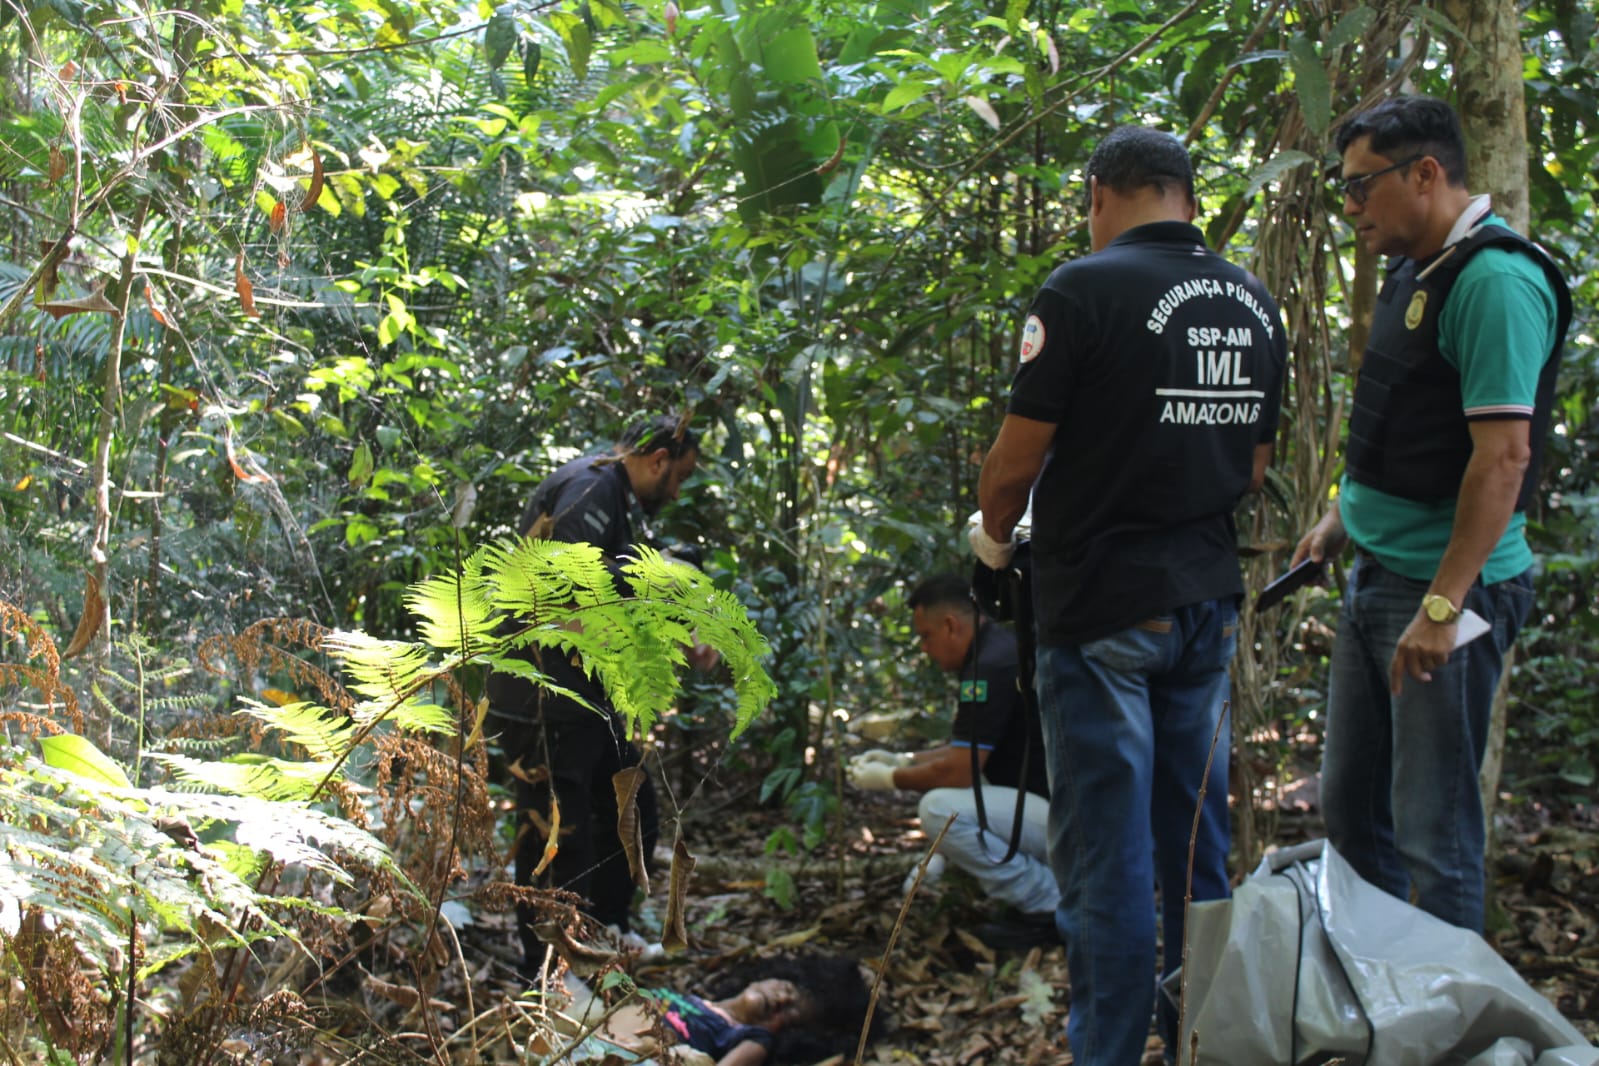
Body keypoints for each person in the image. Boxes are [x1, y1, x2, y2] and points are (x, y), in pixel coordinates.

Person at [970, 125, 1286, 1063]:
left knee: (1105, 860)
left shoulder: (1081, 288)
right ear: (1185, 196)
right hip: (1204, 606)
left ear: (1100, 193)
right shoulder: (1253, 302)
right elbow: (1254, 463)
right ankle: (1202, 1037)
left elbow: (1010, 472)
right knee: (1195, 846)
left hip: (1103, 608)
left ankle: (1106, 1051)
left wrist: (992, 541)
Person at [1291, 96, 1570, 933]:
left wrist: (1444, 605)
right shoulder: (1420, 266)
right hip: (1377, 576)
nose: (1349, 207)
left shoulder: (1494, 281)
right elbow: (1404, 414)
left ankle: (1449, 1034)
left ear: (1424, 173)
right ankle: (1384, 1002)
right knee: (1350, 812)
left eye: (1359, 187)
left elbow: (1503, 458)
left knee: (1430, 836)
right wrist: (1344, 514)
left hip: (1441, 596)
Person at [488, 414, 711, 972]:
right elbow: (559, 595)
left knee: (631, 807)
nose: (678, 490)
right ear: (658, 460)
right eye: (678, 476)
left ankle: (604, 934)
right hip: (543, 691)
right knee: (559, 834)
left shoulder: (614, 495)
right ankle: (549, 975)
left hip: (581, 694)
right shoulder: (593, 487)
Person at [846, 573, 1058, 950]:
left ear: (950, 625)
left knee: (938, 808)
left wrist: (891, 778)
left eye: (926, 636)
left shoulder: (990, 665)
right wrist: (904, 757)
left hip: (1058, 816)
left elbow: (960, 771)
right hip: (1043, 801)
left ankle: (1047, 903)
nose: (924, 648)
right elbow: (969, 749)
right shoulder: (999, 650)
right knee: (943, 792)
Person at [566, 953, 874, 1066]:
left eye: (791, 1012)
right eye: (787, 990)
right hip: (578, 1034)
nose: (780, 1000)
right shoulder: (698, 1001)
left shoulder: (752, 1038)